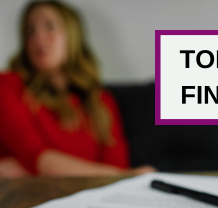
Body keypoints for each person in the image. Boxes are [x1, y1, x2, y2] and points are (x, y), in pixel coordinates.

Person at [0, 1, 155, 178]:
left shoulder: (101, 101)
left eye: (49, 27)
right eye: (30, 31)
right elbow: (36, 156)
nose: (38, 37)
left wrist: (31, 170)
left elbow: (117, 165)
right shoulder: (8, 86)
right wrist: (125, 175)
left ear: (72, 35)